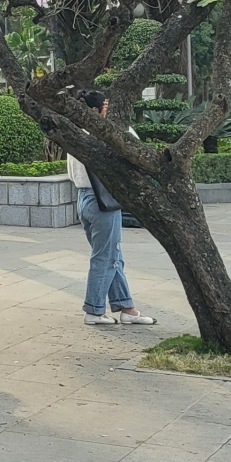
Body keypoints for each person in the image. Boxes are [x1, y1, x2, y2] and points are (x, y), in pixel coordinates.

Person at [69, 91, 156, 327]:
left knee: (112, 257)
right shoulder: (105, 133)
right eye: (105, 106)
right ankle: (94, 310)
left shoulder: (74, 133)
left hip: (84, 199)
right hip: (103, 201)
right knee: (106, 259)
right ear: (97, 110)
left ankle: (127, 308)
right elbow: (136, 151)